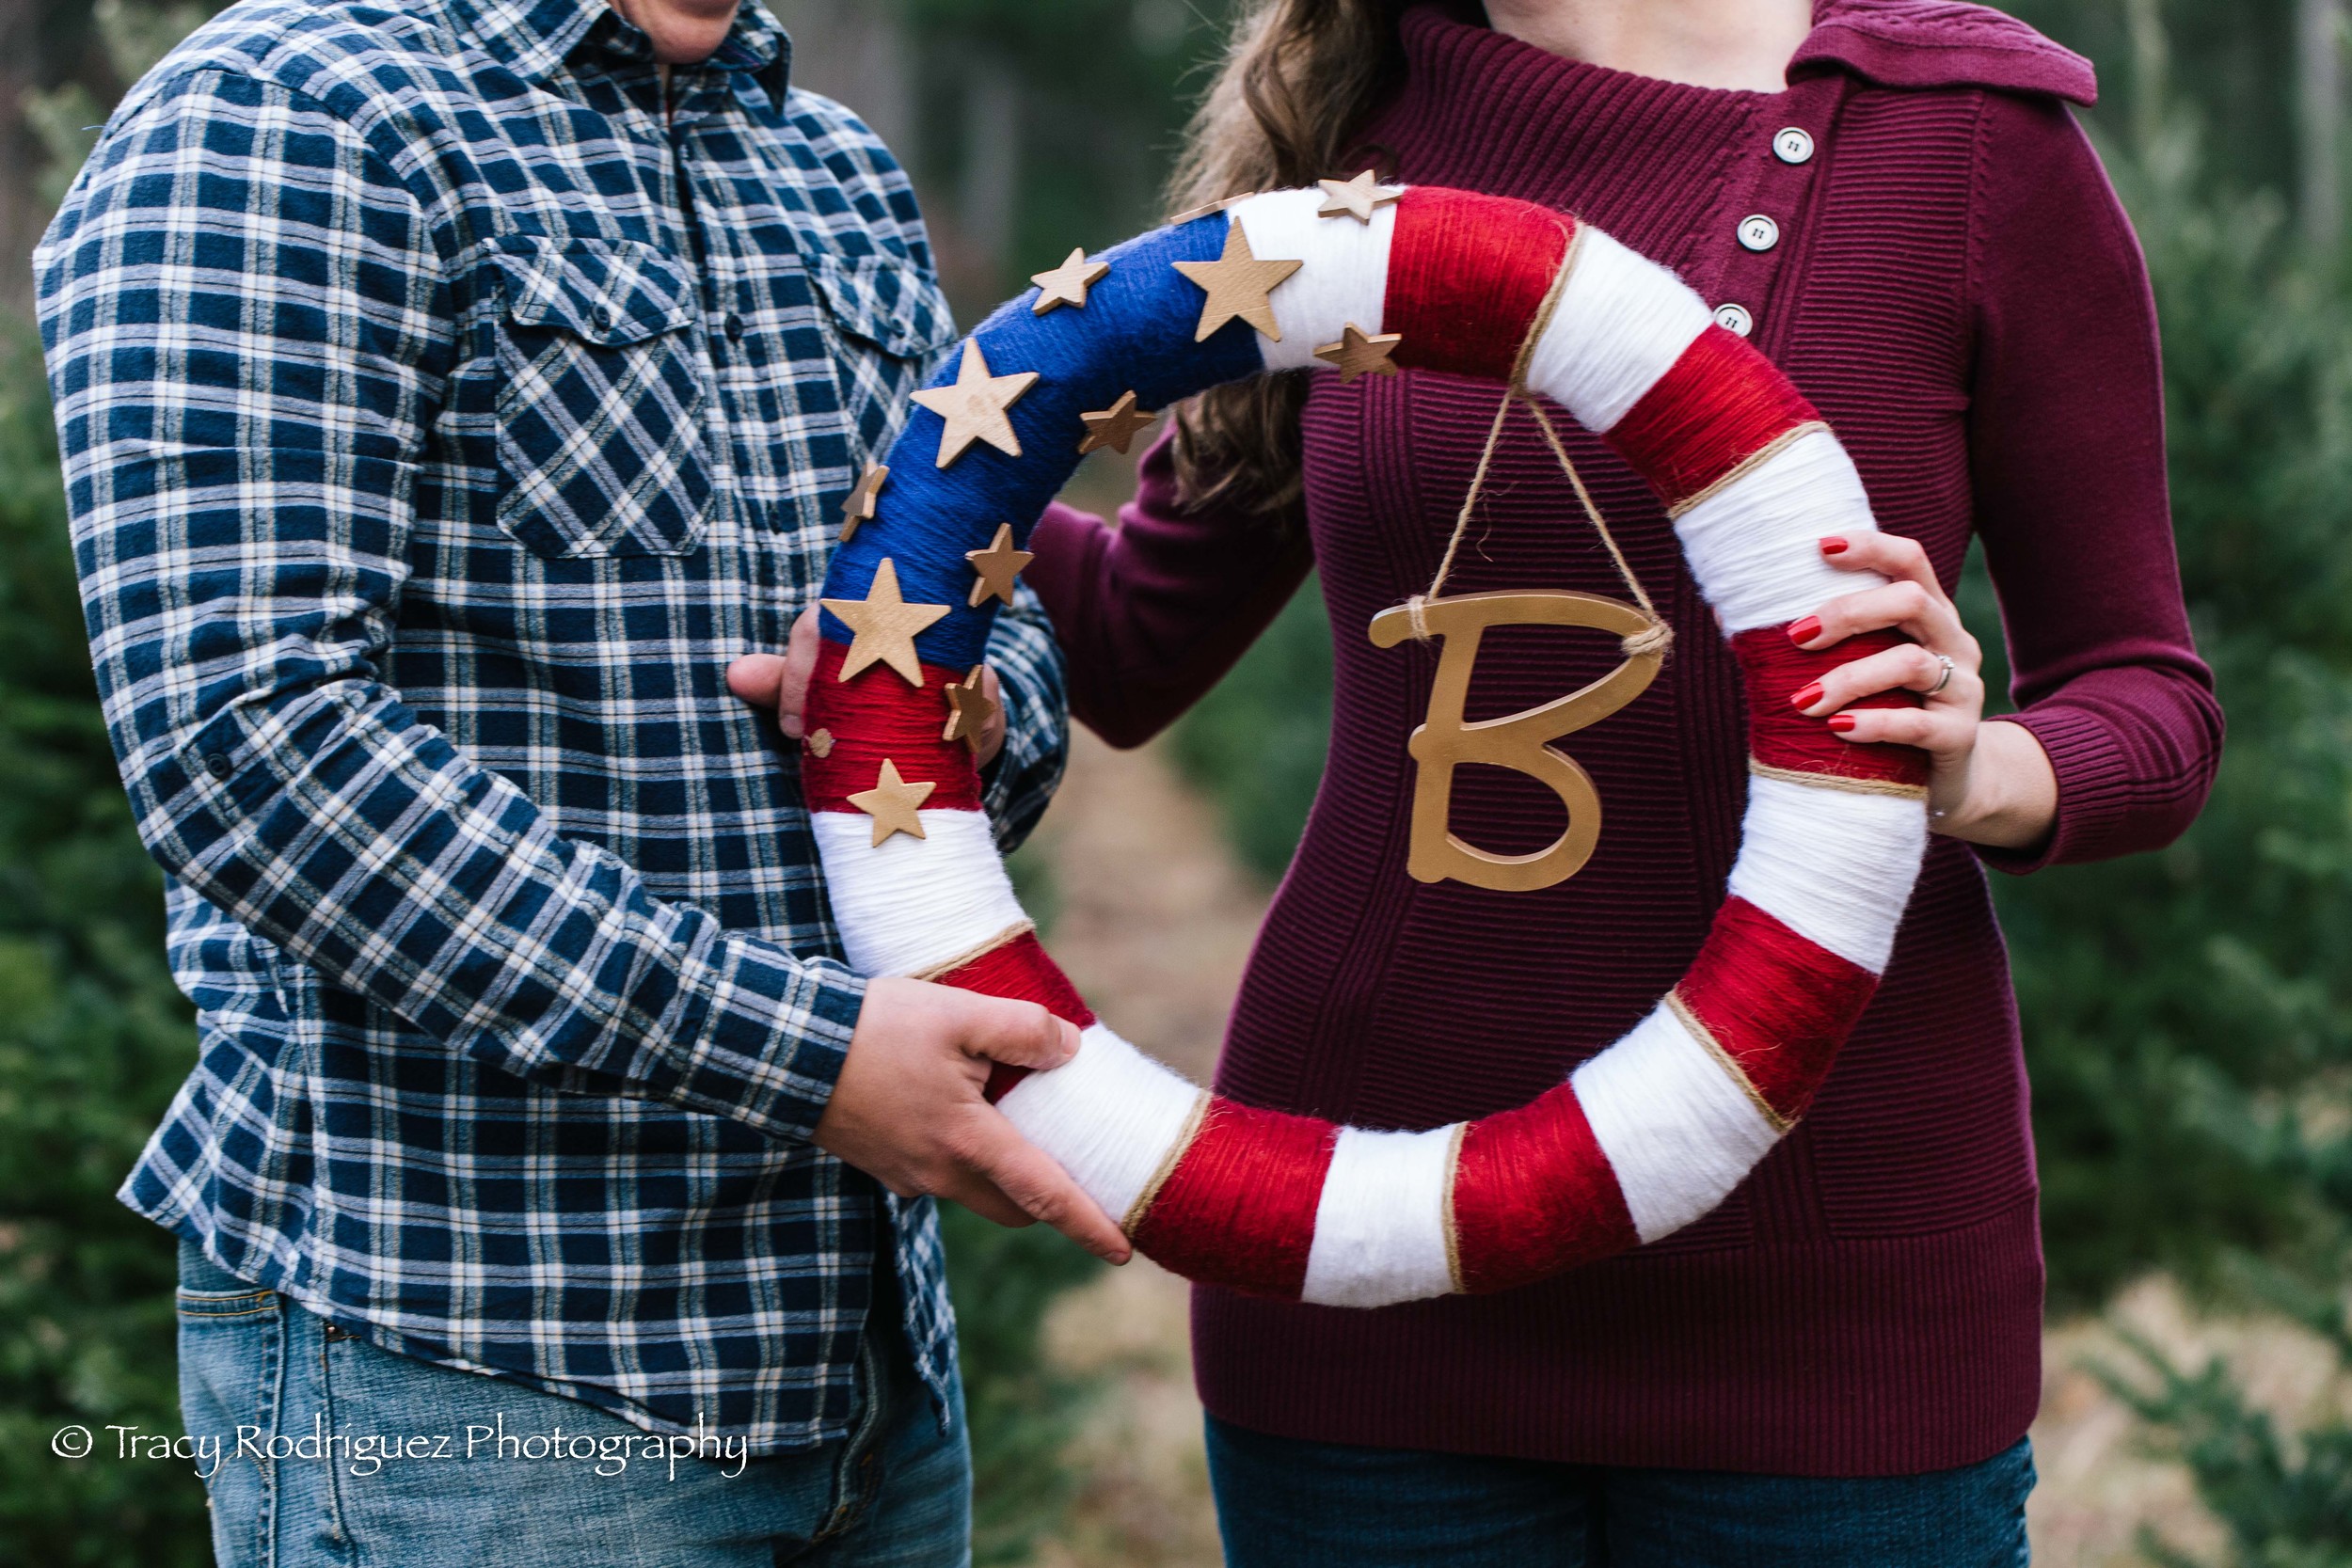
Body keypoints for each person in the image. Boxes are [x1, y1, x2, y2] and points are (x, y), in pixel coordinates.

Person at [1021, 0, 2219, 1561]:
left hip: (1832, 1295)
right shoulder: (1346, 134)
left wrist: (1979, 766)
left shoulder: (1971, 139)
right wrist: (885, 442)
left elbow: (2154, 702)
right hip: (1371, 1275)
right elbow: (1127, 639)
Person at [36, 1, 1129, 1563]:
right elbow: (247, 740)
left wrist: (939, 708)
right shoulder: (289, 113)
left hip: (868, 1375)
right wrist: (810, 1059)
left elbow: (1000, 628)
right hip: (476, 1386)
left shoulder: (837, 172)